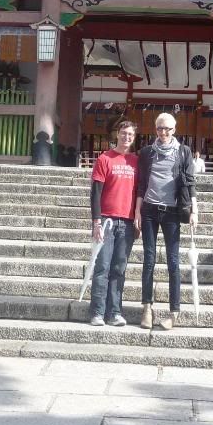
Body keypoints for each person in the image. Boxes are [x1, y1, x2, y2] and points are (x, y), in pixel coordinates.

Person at [134, 113, 198, 331]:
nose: (164, 132)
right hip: (150, 210)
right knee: (149, 259)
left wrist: (194, 211)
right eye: (160, 128)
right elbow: (141, 184)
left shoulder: (184, 152)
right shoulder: (146, 153)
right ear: (155, 128)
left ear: (174, 129)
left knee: (173, 262)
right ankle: (147, 307)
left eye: (168, 129)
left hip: (172, 212)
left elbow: (190, 183)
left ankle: (174, 312)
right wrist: (137, 211)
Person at [89, 120, 138, 326]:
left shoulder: (136, 161)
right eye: (124, 133)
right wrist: (96, 222)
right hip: (107, 220)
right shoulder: (104, 158)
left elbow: (140, 193)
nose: (127, 137)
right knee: (102, 267)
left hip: (127, 222)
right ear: (117, 134)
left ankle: (115, 312)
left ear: (134, 138)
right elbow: (96, 192)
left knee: (119, 268)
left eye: (131, 135)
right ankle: (97, 312)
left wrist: (138, 218)